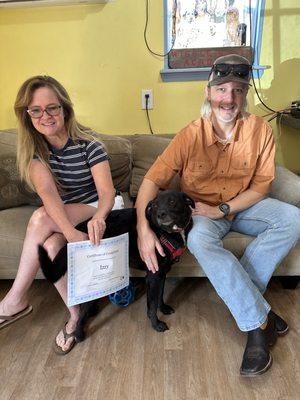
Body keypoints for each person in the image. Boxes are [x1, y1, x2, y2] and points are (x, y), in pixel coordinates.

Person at [135, 54, 300, 376]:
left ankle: (250, 302)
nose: (229, 98)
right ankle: (257, 324)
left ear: (245, 95)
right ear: (209, 93)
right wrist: (142, 227)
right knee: (199, 241)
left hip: (244, 205)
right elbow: (152, 180)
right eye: (222, 89)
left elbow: (262, 186)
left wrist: (224, 208)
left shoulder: (259, 131)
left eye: (238, 90)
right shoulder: (190, 135)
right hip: (201, 213)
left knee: (294, 217)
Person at [0, 75, 120, 354]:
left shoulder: (90, 144)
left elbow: (106, 193)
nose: (46, 116)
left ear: (64, 108)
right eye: (36, 110)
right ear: (28, 115)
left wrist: (99, 218)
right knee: (50, 245)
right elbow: (48, 195)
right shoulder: (34, 152)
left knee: (40, 219)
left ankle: (14, 300)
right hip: (64, 212)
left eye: (52, 107)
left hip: (99, 205)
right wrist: (68, 233)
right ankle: (76, 313)